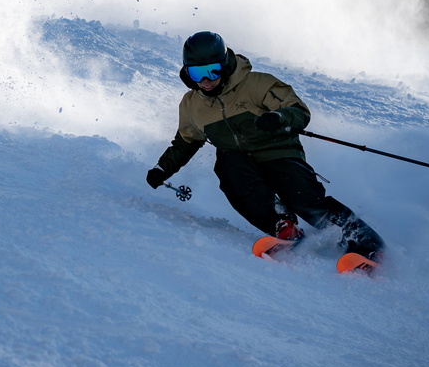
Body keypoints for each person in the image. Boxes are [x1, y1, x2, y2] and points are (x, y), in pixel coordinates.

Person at [145, 31, 385, 260]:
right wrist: (162, 168)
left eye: (213, 70)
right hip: (240, 162)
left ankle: (366, 245)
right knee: (227, 166)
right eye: (197, 74)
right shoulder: (191, 105)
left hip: (279, 154)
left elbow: (298, 110)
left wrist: (280, 117)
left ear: (225, 64)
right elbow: (186, 141)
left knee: (304, 200)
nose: (206, 80)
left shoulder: (257, 84)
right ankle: (282, 225)